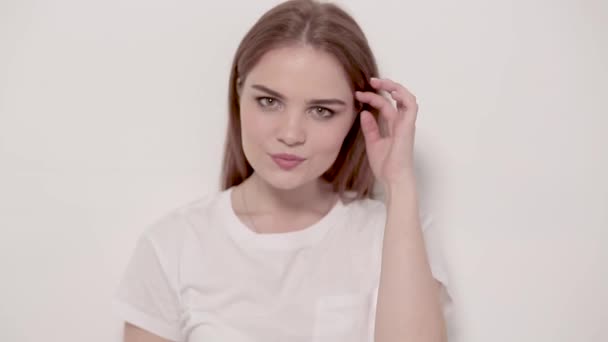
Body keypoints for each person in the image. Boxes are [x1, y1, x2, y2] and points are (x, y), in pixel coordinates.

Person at [112, 0, 453, 341]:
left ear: (355, 117)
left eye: (321, 110)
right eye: (269, 102)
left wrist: (400, 182)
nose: (291, 134)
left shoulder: (400, 233)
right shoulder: (173, 246)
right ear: (239, 93)